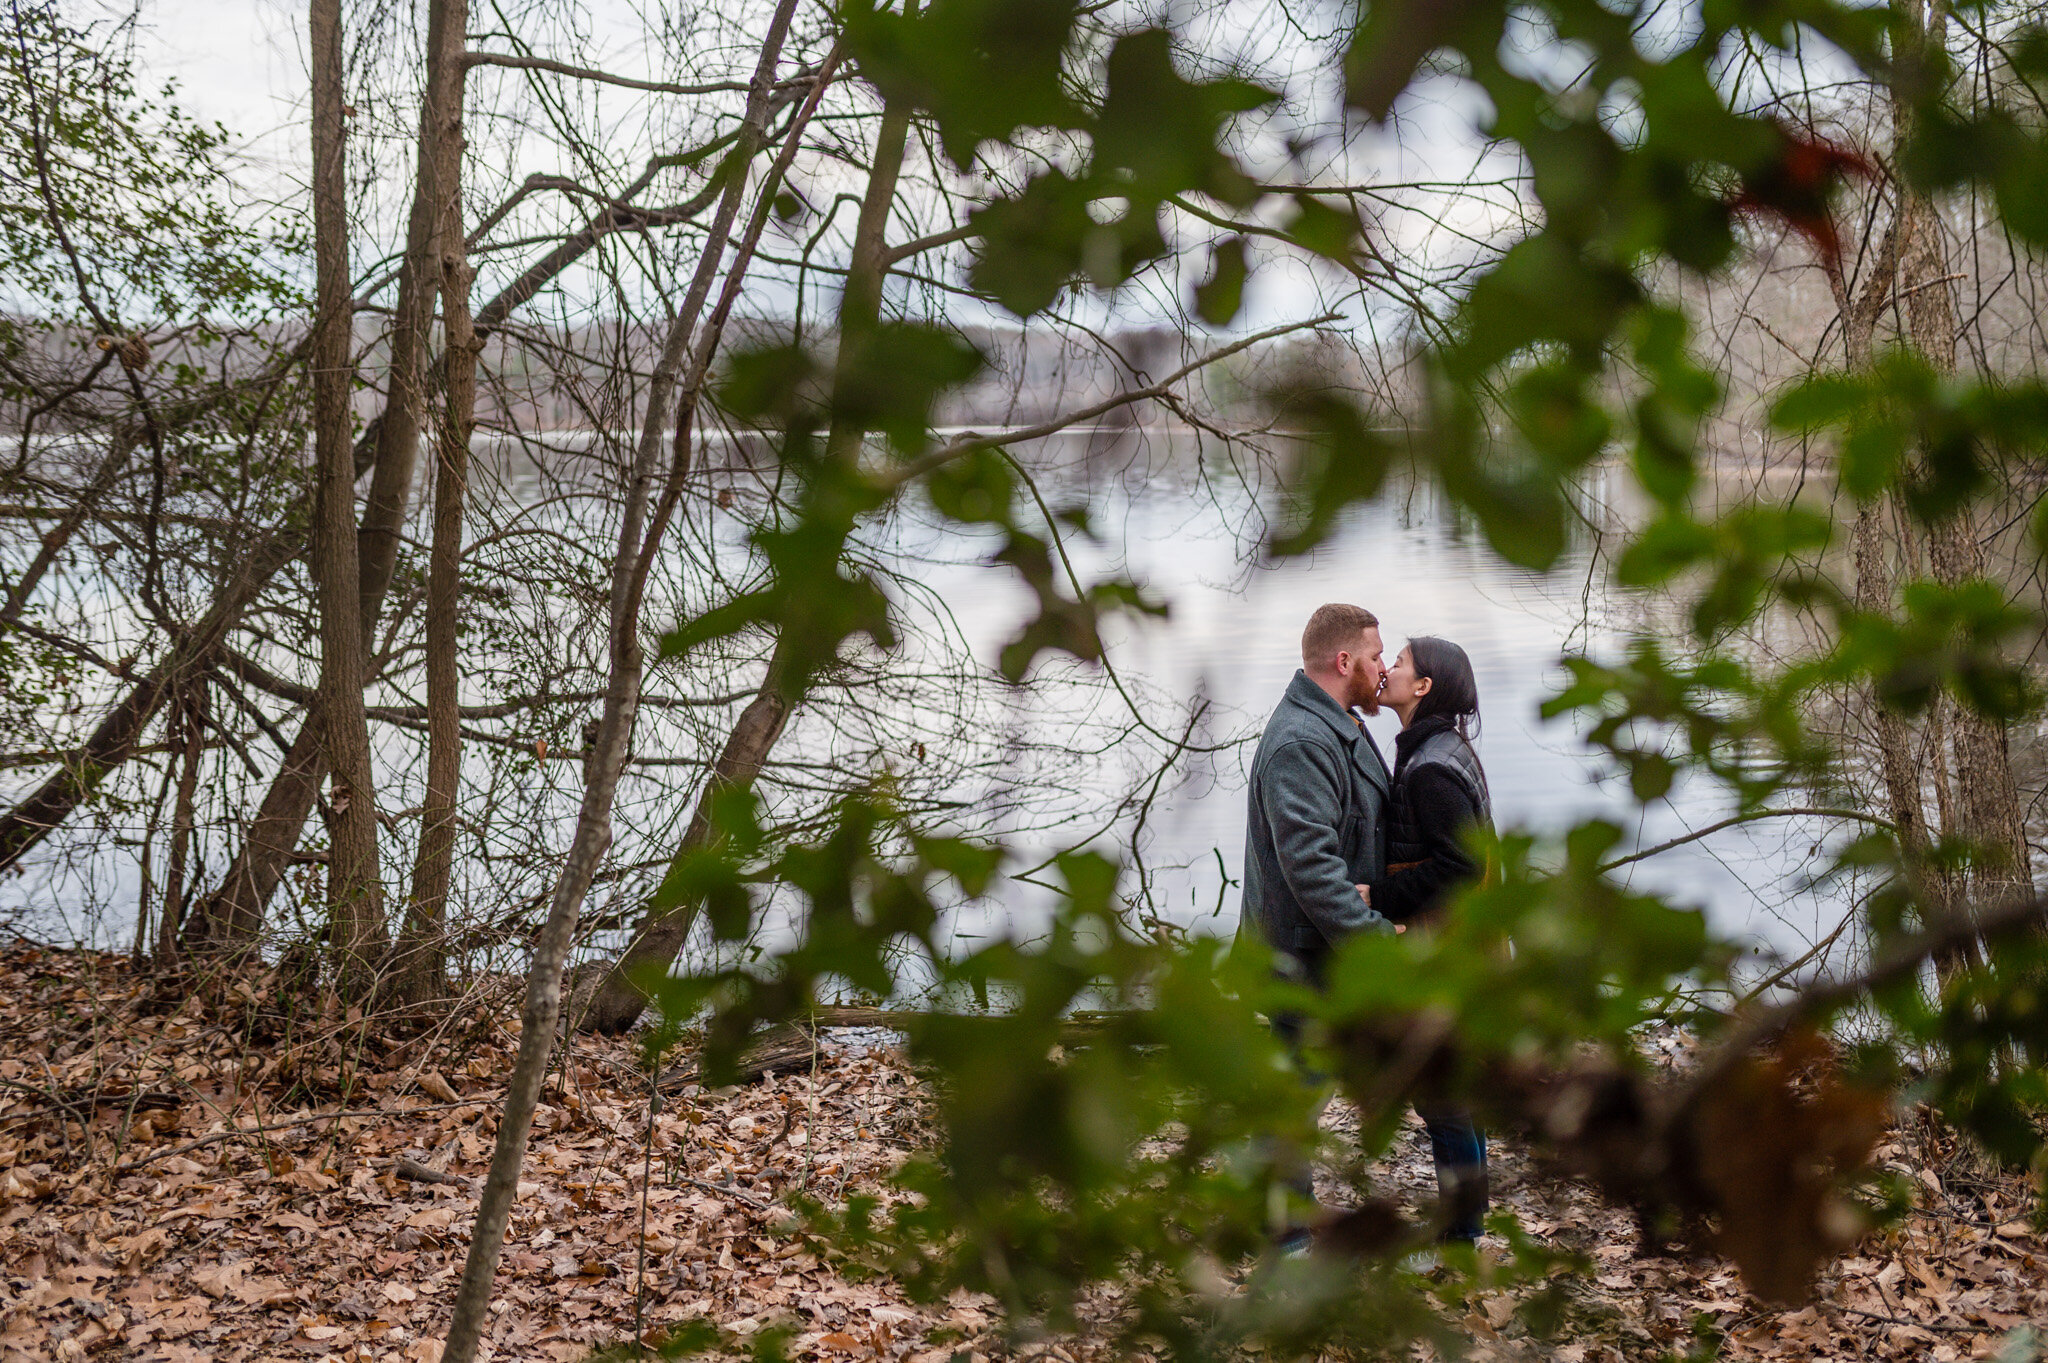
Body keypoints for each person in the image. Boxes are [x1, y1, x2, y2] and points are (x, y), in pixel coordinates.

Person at [1238, 603, 1392, 1250]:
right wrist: (1377, 942)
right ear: (1343, 660)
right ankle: (1283, 1240)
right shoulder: (1302, 741)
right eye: (1377, 656)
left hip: (1316, 953)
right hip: (1300, 957)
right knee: (1292, 1099)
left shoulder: (1334, 723)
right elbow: (1311, 867)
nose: (1384, 669)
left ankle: (1281, 1224)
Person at [1361, 636, 1494, 1243]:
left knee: (1441, 1098)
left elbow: (1460, 866)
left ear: (1424, 688)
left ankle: (1461, 1239)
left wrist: (1378, 898)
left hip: (1447, 949)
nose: (1387, 668)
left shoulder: (1432, 767)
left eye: (1402, 661)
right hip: (1469, 946)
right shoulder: (1440, 748)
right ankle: (1468, 1224)